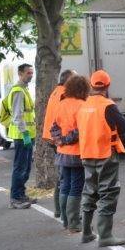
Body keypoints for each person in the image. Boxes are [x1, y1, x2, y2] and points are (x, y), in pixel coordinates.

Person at [77, 70, 125, 247]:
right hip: (105, 153)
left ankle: (86, 232)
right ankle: (105, 235)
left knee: (89, 191)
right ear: (107, 86)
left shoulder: (84, 105)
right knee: (108, 192)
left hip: (86, 153)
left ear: (92, 85)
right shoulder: (108, 105)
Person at [49, 75, 90, 233]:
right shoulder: (82, 105)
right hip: (77, 152)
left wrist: (59, 140)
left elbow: (54, 127)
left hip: (61, 153)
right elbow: (81, 130)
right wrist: (66, 140)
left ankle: (66, 220)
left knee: (65, 185)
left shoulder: (61, 104)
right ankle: (74, 222)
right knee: (76, 187)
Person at [42, 70, 75, 217]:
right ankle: (64, 211)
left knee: (63, 175)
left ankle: (60, 210)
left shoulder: (56, 91)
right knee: (66, 177)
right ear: (68, 81)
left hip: (53, 137)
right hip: (60, 138)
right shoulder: (64, 94)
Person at [6, 63, 36, 209]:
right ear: (20, 74)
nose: (31, 75)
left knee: (26, 166)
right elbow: (18, 116)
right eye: (28, 73)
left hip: (28, 135)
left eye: (31, 72)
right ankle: (15, 198)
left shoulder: (25, 90)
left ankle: (21, 194)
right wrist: (25, 134)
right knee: (20, 167)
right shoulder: (18, 91)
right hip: (22, 135)